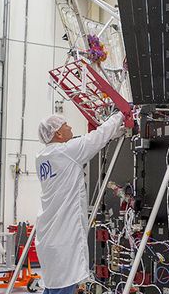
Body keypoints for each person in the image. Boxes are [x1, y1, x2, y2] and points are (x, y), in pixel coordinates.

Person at [35, 112, 125, 294]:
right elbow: (96, 138)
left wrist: (117, 132)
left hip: (49, 235)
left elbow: (87, 142)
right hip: (64, 238)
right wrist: (121, 114)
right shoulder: (66, 151)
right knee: (63, 285)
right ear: (58, 134)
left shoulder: (43, 156)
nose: (70, 127)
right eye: (66, 125)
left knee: (53, 286)